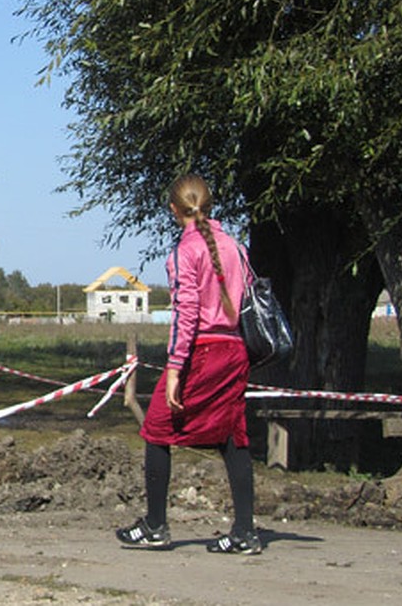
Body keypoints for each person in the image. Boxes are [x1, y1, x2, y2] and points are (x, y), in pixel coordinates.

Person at [116, 173, 262, 555]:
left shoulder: (184, 253)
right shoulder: (238, 248)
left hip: (203, 351)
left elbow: (187, 313)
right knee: (234, 435)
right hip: (235, 349)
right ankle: (246, 531)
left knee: (156, 428)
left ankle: (156, 524)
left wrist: (175, 369)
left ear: (173, 210)